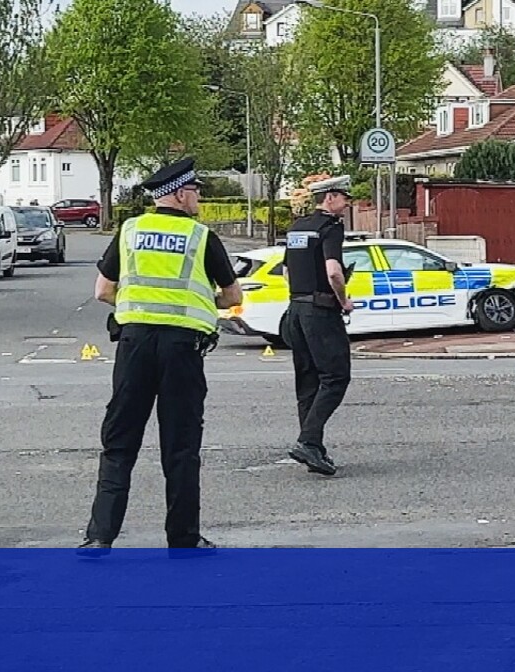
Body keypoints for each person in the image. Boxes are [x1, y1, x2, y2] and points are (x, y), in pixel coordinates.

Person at [79, 157, 243, 557]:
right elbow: (233, 296)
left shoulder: (130, 230)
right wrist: (199, 302)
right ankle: (183, 540)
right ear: (181, 194)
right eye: (196, 191)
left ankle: (100, 537)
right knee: (181, 447)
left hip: (134, 346)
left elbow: (103, 291)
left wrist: (139, 307)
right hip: (182, 351)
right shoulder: (200, 237)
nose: (199, 198)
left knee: (119, 442)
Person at [280, 175, 355, 476]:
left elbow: (286, 271)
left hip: (295, 310)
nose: (347, 203)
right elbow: (334, 271)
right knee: (336, 377)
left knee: (308, 382)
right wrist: (343, 300)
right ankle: (309, 442)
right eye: (345, 198)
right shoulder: (330, 227)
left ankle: (313, 449)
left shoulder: (297, 228)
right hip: (320, 312)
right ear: (330, 198)